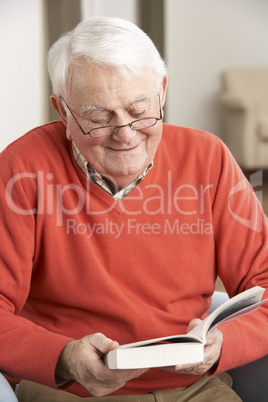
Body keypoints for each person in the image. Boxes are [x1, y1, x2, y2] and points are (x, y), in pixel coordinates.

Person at [0, 16, 267, 401]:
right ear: (63, 112)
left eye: (140, 109)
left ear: (161, 90)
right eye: (98, 117)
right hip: (68, 391)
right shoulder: (22, 169)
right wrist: (63, 357)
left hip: (193, 388)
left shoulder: (208, 158)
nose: (124, 133)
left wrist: (226, 343)